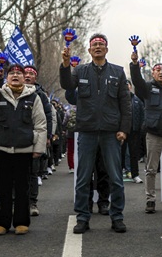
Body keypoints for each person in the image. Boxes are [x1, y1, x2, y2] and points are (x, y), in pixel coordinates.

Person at [60, 33, 130, 235]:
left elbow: (125, 103)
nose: (98, 47)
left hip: (111, 133)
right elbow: (67, 86)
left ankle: (117, 217)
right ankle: (82, 217)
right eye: (94, 44)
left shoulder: (117, 72)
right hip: (87, 131)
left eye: (101, 44)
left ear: (106, 49)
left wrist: (124, 129)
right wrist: (65, 65)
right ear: (89, 50)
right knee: (83, 178)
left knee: (115, 178)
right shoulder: (80, 70)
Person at [0, 61, 47, 235]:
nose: (15, 76)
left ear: (24, 77)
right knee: (4, 187)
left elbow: (41, 124)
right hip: (2, 149)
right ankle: (2, 223)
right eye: (12, 73)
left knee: (23, 188)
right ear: (7, 78)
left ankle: (21, 222)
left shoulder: (34, 97)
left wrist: (38, 148)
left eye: (19, 73)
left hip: (24, 150)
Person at [130, 56, 162, 214]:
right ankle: (150, 200)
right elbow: (136, 80)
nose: (160, 72)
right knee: (151, 169)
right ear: (153, 73)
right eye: (157, 70)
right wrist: (135, 65)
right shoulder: (148, 89)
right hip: (153, 134)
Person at [22, 65, 54, 216]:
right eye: (25, 73)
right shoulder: (13, 91)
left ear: (35, 77)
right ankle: (17, 203)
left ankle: (32, 203)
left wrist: (47, 136)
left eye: (31, 74)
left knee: (33, 172)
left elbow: (48, 116)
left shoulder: (40, 95)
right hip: (17, 139)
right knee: (16, 173)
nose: (27, 76)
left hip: (34, 138)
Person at [121, 81, 144, 184]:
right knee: (120, 153)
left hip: (134, 130)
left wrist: (141, 128)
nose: (127, 87)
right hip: (121, 130)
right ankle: (119, 172)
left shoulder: (137, 100)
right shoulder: (118, 99)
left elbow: (142, 114)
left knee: (134, 153)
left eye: (128, 85)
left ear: (130, 87)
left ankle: (135, 174)